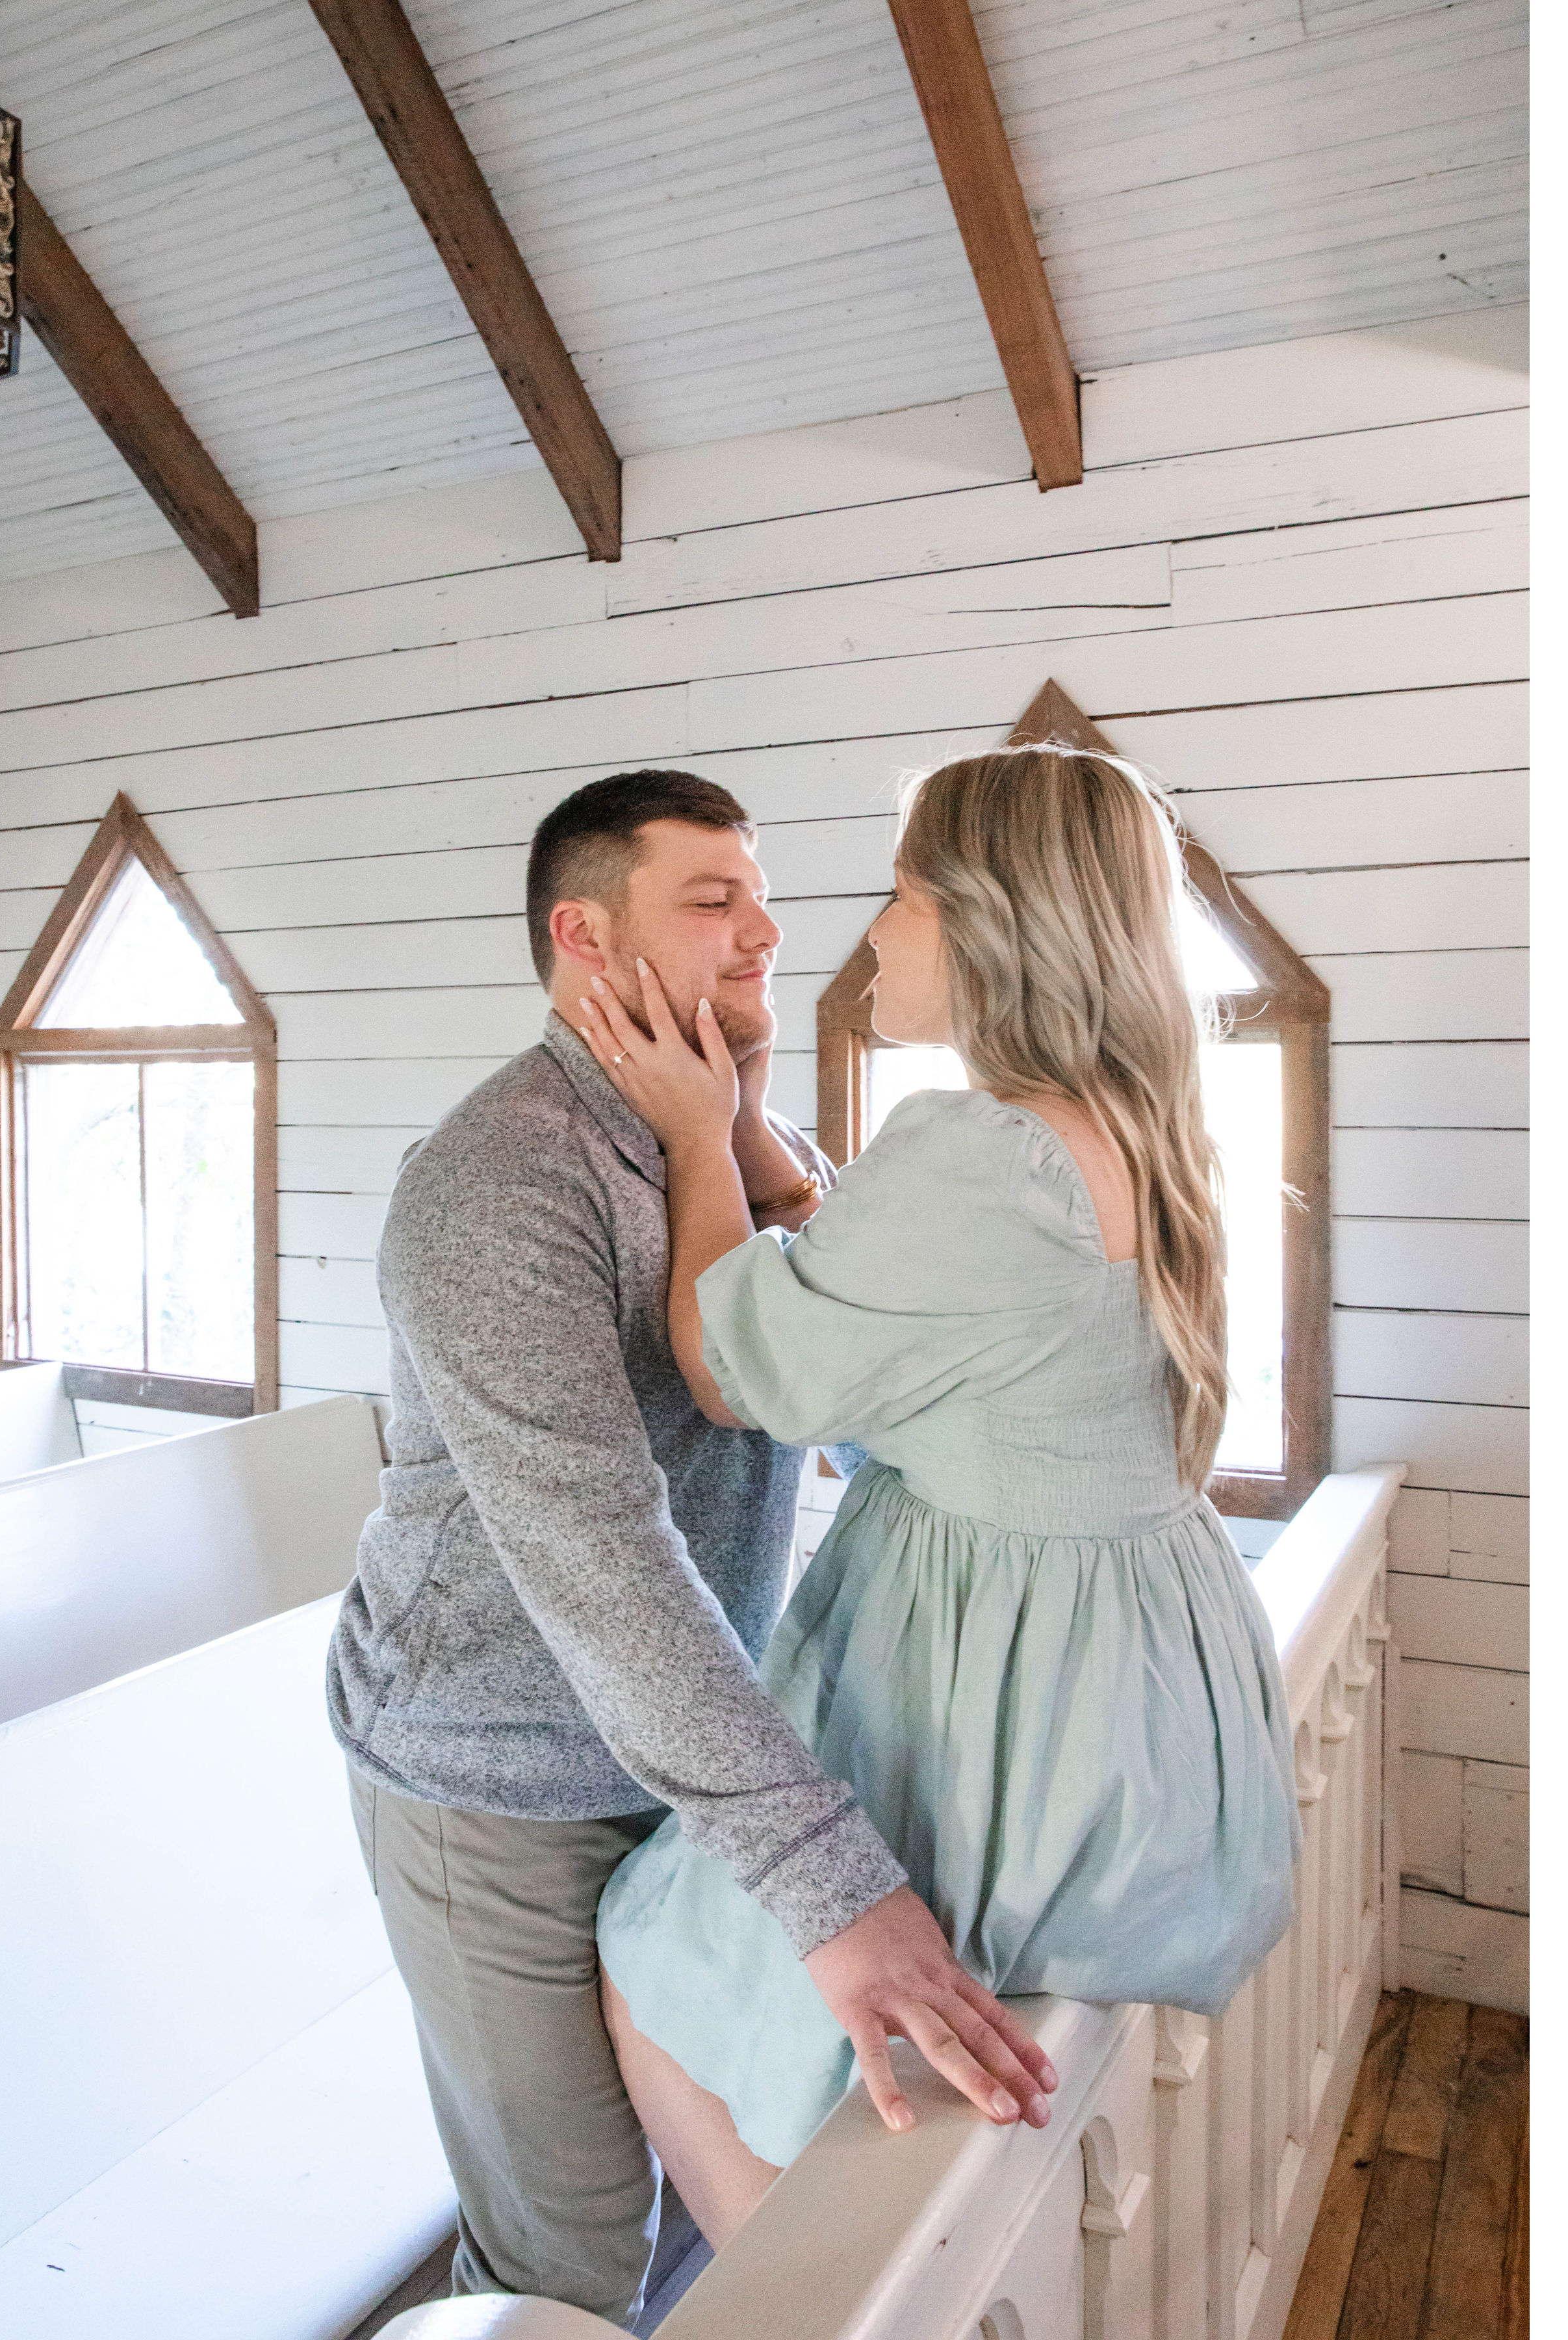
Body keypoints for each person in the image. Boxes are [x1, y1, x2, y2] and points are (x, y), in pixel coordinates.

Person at [326, 770, 1052, 2326]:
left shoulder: (715, 1134)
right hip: (492, 1769)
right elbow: (596, 1548)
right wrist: (829, 1881)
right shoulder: (499, 1178)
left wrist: (745, 1122)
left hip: (685, 1758)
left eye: (760, 898)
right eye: (713, 901)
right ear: (584, 936)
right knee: (569, 2254)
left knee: (716, 2176)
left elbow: (846, 1399)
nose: (766, 933)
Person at [576, 744, 1302, 2249]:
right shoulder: (1137, 1126)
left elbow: (738, 1368)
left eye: (904, 895)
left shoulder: (983, 1154)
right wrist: (757, 1139)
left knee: (663, 1959)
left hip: (995, 1701)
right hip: (1134, 1688)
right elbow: (924, 1339)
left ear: (992, 919)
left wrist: (696, 1135)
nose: (871, 935)